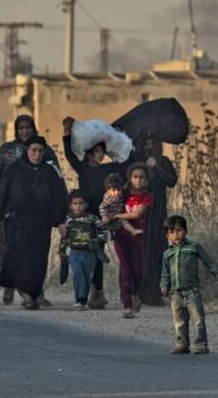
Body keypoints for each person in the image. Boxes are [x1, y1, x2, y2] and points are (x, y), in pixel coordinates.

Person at [0, 134, 68, 311]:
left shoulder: (49, 172)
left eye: (40, 151)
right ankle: (25, 293)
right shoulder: (14, 169)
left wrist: (60, 221)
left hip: (40, 223)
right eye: (33, 150)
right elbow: (2, 193)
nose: (37, 154)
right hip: (17, 222)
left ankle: (31, 295)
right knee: (17, 257)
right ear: (27, 151)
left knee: (37, 260)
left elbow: (58, 198)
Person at [62, 116, 128, 309]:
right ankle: (87, 291)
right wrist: (66, 133)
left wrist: (120, 136)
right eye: (97, 152)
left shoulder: (108, 169)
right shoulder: (83, 168)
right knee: (81, 250)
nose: (100, 155)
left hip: (99, 218)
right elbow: (69, 155)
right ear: (90, 153)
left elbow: (123, 163)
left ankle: (97, 292)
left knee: (98, 252)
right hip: (83, 217)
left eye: (102, 152)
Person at [159, 215, 218, 354]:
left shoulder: (194, 248)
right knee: (179, 321)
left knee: (198, 319)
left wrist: (217, 273)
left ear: (186, 231)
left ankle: (201, 344)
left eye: (179, 230)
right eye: (172, 232)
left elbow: (209, 261)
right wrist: (164, 286)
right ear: (167, 235)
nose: (176, 234)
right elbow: (165, 273)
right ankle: (182, 344)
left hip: (192, 291)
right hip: (176, 293)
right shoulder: (167, 253)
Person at [136, 137, 178, 308]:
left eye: (152, 143)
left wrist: (156, 167)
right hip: (139, 215)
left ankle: (155, 294)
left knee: (158, 255)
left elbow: (171, 181)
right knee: (140, 255)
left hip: (158, 215)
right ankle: (138, 293)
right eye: (145, 143)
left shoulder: (163, 162)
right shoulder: (137, 163)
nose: (148, 146)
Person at [112, 163, 153, 318]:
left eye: (142, 177)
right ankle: (127, 304)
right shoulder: (121, 194)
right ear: (130, 178)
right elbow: (109, 204)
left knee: (139, 270)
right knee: (126, 269)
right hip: (121, 236)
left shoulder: (146, 197)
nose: (138, 180)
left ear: (146, 181)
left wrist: (117, 216)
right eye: (135, 177)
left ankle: (135, 293)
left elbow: (137, 214)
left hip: (138, 238)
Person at [59, 191, 109, 311]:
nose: (78, 206)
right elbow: (64, 237)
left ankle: (83, 299)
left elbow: (103, 232)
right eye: (75, 203)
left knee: (86, 277)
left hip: (89, 253)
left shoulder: (92, 219)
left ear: (86, 204)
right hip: (74, 252)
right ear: (71, 205)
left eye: (81, 203)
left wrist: (96, 241)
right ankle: (79, 299)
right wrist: (61, 250)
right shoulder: (68, 220)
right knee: (78, 274)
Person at [100, 173, 142, 238]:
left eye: (119, 190)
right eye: (113, 190)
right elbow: (102, 206)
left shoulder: (121, 194)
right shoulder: (109, 198)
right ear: (108, 190)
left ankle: (133, 231)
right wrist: (104, 216)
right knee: (106, 227)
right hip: (109, 215)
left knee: (124, 221)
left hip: (118, 214)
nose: (116, 193)